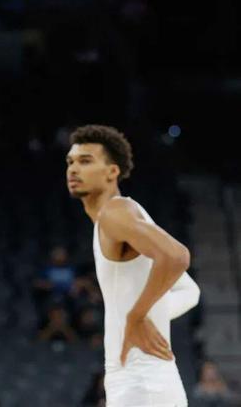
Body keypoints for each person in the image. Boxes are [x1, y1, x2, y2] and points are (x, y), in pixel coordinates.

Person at [66, 125, 200, 406]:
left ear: (112, 171)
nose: (73, 169)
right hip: (149, 381)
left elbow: (177, 256)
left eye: (85, 161)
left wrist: (136, 316)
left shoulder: (116, 213)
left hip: (141, 384)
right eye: (71, 161)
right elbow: (190, 291)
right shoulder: (125, 215)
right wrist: (149, 314)